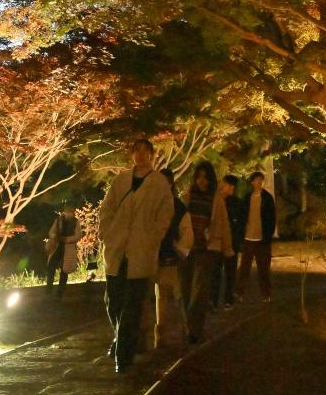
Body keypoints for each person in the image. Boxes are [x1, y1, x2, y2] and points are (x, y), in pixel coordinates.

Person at [99, 138, 173, 373]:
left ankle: (124, 354)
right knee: (113, 302)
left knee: (131, 305)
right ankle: (121, 339)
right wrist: (107, 233)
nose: (140, 155)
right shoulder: (121, 180)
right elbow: (107, 208)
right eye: (136, 150)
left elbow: (165, 214)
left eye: (144, 151)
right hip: (117, 249)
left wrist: (153, 238)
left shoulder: (160, 183)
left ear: (152, 154)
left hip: (141, 251)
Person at [179, 160, 232, 343]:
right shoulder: (187, 197)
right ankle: (189, 326)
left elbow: (223, 224)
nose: (202, 181)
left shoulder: (216, 200)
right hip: (186, 249)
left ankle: (194, 330)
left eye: (206, 178)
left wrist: (227, 249)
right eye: (199, 177)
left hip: (207, 249)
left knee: (199, 292)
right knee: (185, 291)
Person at [154, 168, 193, 349]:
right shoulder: (152, 204)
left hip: (171, 257)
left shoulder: (178, 207)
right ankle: (160, 334)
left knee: (178, 296)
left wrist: (178, 248)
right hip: (155, 258)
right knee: (161, 297)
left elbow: (186, 232)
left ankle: (186, 328)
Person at [235, 170, 276, 303]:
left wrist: (268, 236)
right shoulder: (247, 198)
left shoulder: (267, 198)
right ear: (252, 182)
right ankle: (240, 292)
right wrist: (241, 232)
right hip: (248, 238)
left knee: (263, 269)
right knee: (244, 268)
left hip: (262, 239)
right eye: (257, 180)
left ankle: (266, 294)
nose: (259, 182)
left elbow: (271, 218)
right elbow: (242, 216)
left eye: (261, 180)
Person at [210, 174, 245, 310]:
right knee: (215, 272)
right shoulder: (215, 200)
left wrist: (238, 240)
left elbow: (241, 223)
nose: (230, 189)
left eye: (231, 186)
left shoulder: (236, 203)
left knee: (230, 272)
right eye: (227, 185)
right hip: (216, 241)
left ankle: (228, 299)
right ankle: (213, 300)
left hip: (232, 242)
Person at [44, 204, 80, 296]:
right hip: (57, 247)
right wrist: (55, 237)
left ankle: (60, 292)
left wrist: (66, 239)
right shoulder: (58, 220)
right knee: (51, 267)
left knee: (64, 271)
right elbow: (51, 232)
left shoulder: (76, 222)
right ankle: (49, 289)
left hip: (68, 249)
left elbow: (78, 236)